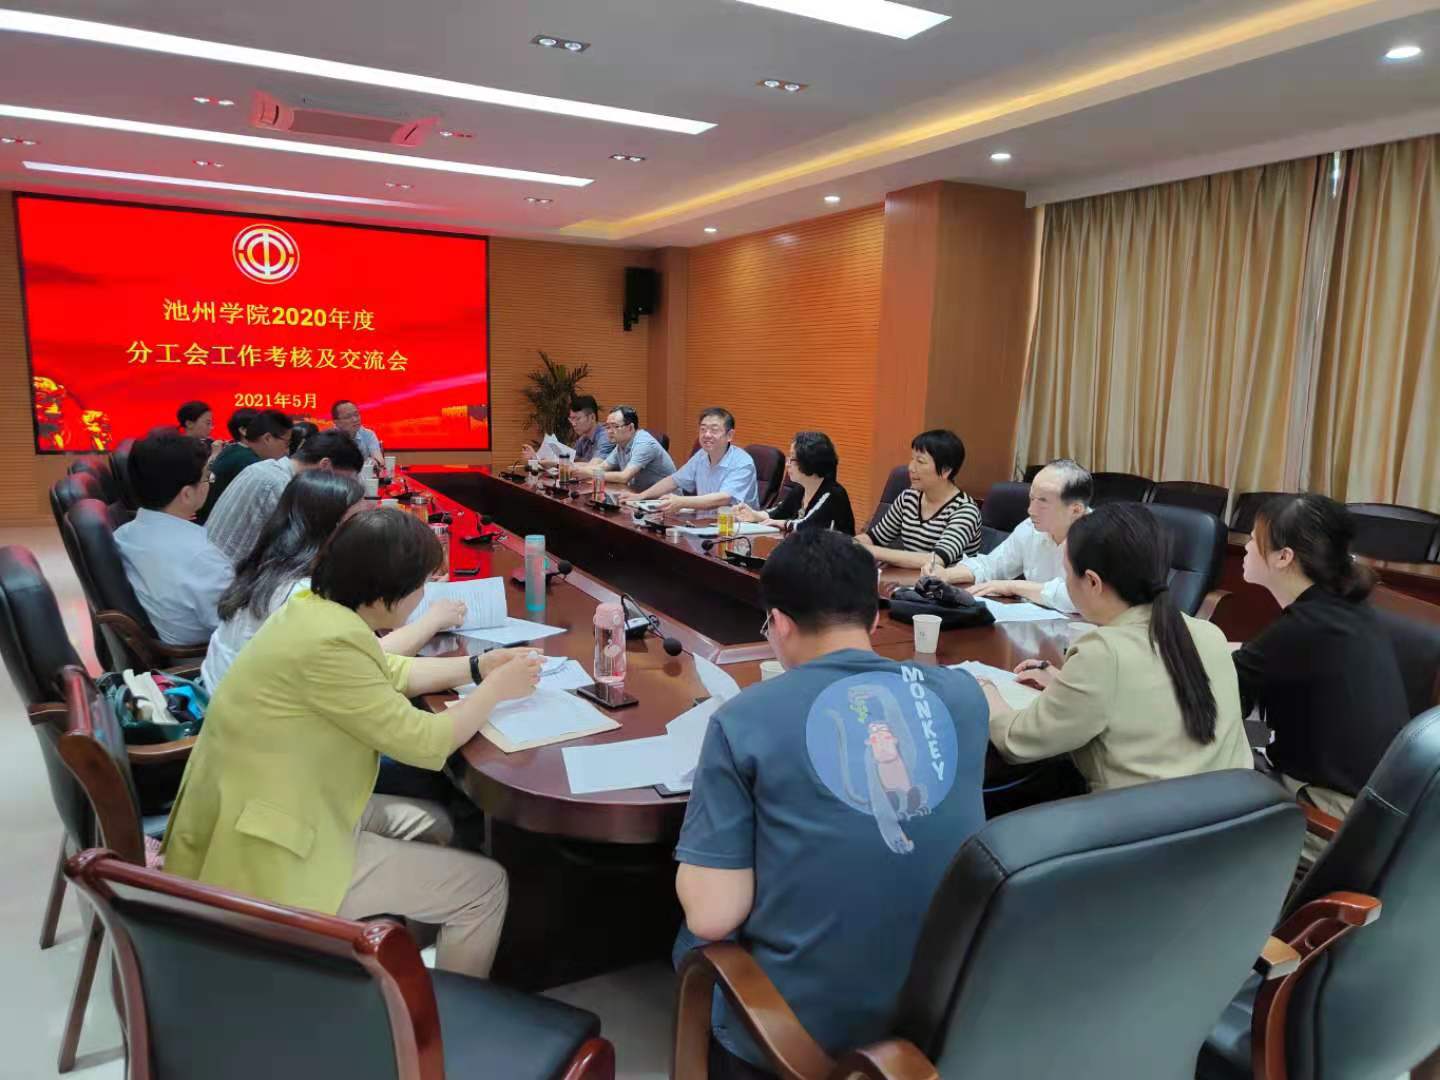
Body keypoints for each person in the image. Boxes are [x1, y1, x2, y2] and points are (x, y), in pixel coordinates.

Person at [163, 509, 544, 979]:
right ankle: (444, 1012)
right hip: (275, 851)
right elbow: (426, 741)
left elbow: (386, 670)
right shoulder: (331, 642)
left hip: (271, 805)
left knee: (437, 824)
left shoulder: (312, 608)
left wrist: (476, 668)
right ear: (385, 595)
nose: (423, 597)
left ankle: (416, 960)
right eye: (421, 586)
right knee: (485, 888)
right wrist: (496, 691)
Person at [674, 529, 988, 1078]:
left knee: (689, 933)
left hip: (801, 1037)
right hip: (949, 1011)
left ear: (780, 623)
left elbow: (713, 916)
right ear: (873, 620)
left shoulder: (742, 719)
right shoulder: (963, 695)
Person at [984, 503, 1252, 792]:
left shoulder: (1102, 653)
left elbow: (1018, 742)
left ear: (1093, 582)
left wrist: (985, 694)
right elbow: (1149, 701)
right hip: (1233, 810)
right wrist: (1065, 685)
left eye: (1066, 574)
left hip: (1141, 817)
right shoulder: (1209, 634)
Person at [1233, 493, 1409, 833]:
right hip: (1375, 800)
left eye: (1254, 540)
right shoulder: (1342, 610)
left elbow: (1217, 686)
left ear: (1284, 557)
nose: (1246, 547)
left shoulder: (1305, 626)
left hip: (1332, 815)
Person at [201, 471, 467, 690]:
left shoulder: (274, 563)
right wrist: (433, 620)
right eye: (357, 522)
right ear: (328, 528)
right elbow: (370, 660)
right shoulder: (301, 592)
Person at [114, 430, 235, 645]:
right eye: (208, 477)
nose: (210, 482)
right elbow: (235, 627)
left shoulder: (123, 535)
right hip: (201, 655)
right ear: (187, 494)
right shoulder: (202, 558)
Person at [929, 459, 1091, 612]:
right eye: (1031, 499)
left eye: (1043, 502)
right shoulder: (1030, 528)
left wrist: (1012, 586)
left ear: (1075, 510)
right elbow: (993, 565)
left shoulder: (1098, 537)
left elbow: (1080, 597)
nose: (1031, 510)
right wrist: (946, 574)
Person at [207, 429, 364, 566]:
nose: (343, 489)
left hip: (213, 568)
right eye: (344, 482)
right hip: (231, 580)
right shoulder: (282, 485)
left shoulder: (264, 468)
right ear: (325, 466)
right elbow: (300, 552)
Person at [857, 429, 981, 568]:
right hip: (908, 578)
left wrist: (873, 551)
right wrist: (851, 545)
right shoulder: (909, 497)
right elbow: (875, 537)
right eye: (912, 459)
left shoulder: (964, 510)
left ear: (945, 470)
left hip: (946, 581)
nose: (911, 467)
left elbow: (936, 560)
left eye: (920, 461)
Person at [624, 407, 757, 510]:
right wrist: (641, 496)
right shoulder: (701, 455)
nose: (707, 435)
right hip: (705, 522)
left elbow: (724, 498)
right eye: (703, 429)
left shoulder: (742, 462)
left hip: (736, 528)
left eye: (714, 430)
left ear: (730, 435)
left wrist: (682, 502)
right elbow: (674, 480)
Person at [735, 431, 855, 534]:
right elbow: (779, 512)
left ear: (809, 461)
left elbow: (808, 525)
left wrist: (783, 524)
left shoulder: (833, 493)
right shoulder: (801, 488)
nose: (787, 464)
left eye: (792, 458)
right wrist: (754, 514)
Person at [198, 409, 294, 525]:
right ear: (267, 438)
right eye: (286, 443)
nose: (286, 450)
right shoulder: (252, 463)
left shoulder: (233, 449)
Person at [577, 405, 676, 493]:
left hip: (665, 500)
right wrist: (576, 470)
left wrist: (590, 474)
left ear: (630, 428)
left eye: (615, 426)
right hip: (639, 497)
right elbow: (602, 467)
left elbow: (624, 477)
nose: (610, 431)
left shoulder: (644, 444)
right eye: (608, 427)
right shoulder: (621, 444)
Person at [522, 394, 613, 465]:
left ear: (592, 417)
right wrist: (537, 459)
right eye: (571, 419)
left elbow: (594, 466)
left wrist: (556, 464)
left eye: (577, 419)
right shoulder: (583, 439)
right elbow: (572, 461)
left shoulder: (606, 436)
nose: (573, 424)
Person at [331, 399, 386, 473]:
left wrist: (375, 462)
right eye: (348, 417)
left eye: (356, 414)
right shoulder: (329, 439)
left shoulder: (368, 434)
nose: (355, 419)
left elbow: (379, 460)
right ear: (336, 422)